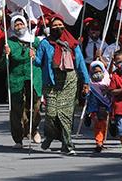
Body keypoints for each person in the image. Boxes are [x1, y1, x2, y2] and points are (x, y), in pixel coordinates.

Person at [34, 16, 91, 155]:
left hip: (69, 81)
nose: (57, 27)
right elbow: (37, 61)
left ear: (64, 26)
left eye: (60, 24)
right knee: (51, 114)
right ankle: (50, 135)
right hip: (51, 82)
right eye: (54, 25)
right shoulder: (45, 43)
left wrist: (86, 81)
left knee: (65, 115)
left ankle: (68, 145)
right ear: (50, 28)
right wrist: (32, 56)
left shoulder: (72, 43)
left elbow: (80, 63)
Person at [1, 15, 42, 148]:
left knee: (35, 107)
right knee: (17, 110)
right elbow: (2, 66)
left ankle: (33, 129)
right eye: (16, 25)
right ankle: (18, 139)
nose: (19, 27)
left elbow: (43, 58)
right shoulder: (10, 42)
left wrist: (35, 55)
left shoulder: (35, 41)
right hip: (16, 80)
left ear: (26, 25)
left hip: (33, 78)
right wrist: (6, 55)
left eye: (21, 24)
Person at [85, 60, 111, 153]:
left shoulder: (107, 80)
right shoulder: (89, 82)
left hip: (103, 106)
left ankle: (100, 141)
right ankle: (99, 142)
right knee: (97, 124)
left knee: (103, 123)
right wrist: (86, 91)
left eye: (99, 72)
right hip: (93, 106)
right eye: (95, 72)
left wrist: (107, 90)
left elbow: (111, 92)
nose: (97, 74)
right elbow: (85, 95)